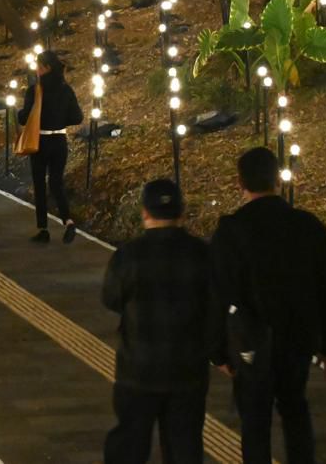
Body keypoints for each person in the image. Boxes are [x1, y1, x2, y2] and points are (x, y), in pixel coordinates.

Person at [209, 146, 326, 464]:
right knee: (295, 409)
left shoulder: (231, 229)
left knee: (254, 421)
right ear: (278, 180)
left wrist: (217, 351)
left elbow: (217, 294)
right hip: (299, 336)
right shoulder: (308, 226)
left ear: (240, 182)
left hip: (251, 341)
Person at [102, 179, 210, 464]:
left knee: (130, 444)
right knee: (184, 446)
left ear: (145, 213)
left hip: (138, 368)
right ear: (182, 213)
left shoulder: (129, 256)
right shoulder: (201, 254)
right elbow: (215, 304)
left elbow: (111, 299)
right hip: (188, 368)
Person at [16, 49, 84, 243]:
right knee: (56, 182)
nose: (36, 70)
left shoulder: (35, 90)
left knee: (39, 184)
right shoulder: (66, 89)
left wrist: (18, 113)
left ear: (46, 68)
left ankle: (43, 229)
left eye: (38, 66)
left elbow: (25, 117)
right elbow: (77, 117)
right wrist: (60, 120)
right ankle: (68, 221)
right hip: (59, 141)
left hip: (40, 141)